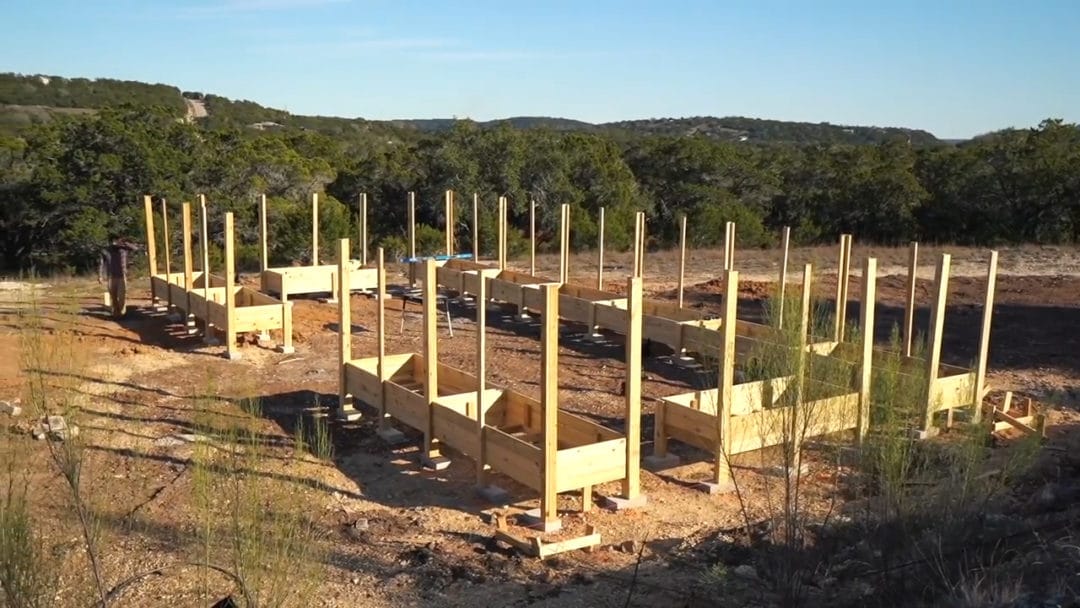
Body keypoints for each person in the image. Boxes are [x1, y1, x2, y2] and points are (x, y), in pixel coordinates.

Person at [99, 234, 141, 318]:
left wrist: (125, 243)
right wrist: (100, 276)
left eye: (117, 240)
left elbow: (136, 249)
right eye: (114, 241)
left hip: (121, 276)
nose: (115, 242)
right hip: (111, 277)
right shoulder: (106, 251)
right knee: (113, 297)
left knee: (121, 296)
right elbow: (101, 264)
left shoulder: (124, 249)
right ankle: (116, 313)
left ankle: (121, 313)